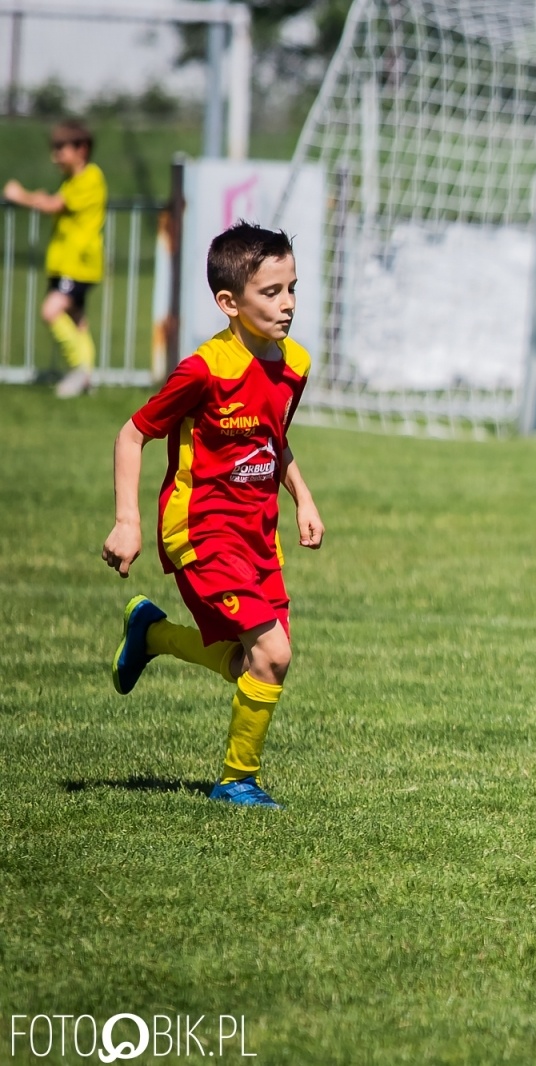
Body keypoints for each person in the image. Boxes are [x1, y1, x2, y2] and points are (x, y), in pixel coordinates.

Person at [101, 222, 324, 810]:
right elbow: (132, 434)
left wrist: (302, 496)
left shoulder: (294, 363)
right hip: (201, 531)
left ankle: (151, 633)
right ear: (229, 302)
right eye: (271, 292)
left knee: (252, 663)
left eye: (293, 288)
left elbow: (274, 441)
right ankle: (236, 781)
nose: (289, 304)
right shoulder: (204, 370)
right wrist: (128, 522)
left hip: (258, 536)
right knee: (273, 654)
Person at [3, 119, 107, 397]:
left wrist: (19, 195)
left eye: (61, 149)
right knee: (76, 321)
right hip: (66, 263)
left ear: (82, 149)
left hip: (78, 264)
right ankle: (86, 378)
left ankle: (78, 372)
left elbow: (53, 205)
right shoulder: (72, 180)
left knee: (51, 311)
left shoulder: (90, 177)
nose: (55, 157)